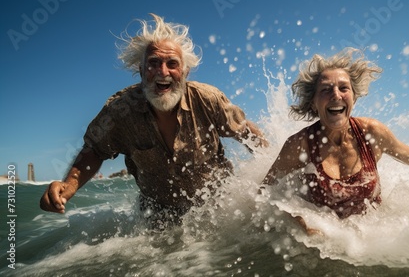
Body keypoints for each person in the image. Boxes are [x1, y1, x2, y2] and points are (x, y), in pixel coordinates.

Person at [40, 14, 267, 228]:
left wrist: (274, 172)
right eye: (154, 63)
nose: (163, 72)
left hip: (217, 206)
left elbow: (246, 133)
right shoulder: (119, 111)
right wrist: (68, 186)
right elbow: (94, 151)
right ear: (140, 71)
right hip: (158, 214)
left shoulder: (208, 100)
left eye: (172, 64)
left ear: (185, 72)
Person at [261, 47, 409, 235]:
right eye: (326, 89)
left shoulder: (370, 133)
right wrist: (298, 222)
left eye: (344, 88)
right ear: (313, 102)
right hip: (320, 238)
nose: (336, 95)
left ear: (353, 96)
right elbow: (263, 192)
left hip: (368, 234)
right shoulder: (301, 144)